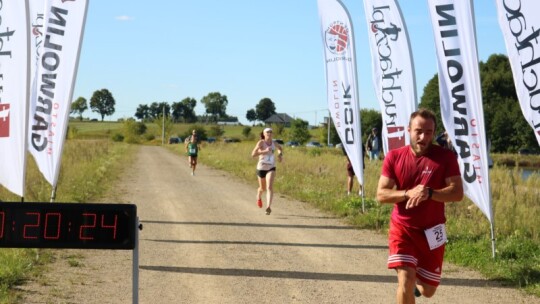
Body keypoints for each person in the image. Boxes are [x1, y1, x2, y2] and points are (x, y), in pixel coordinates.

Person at [376, 109, 463, 303]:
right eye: (418, 131)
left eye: (429, 132)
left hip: (432, 232)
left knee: (428, 290)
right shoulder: (394, 157)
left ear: (434, 132)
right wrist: (407, 193)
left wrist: (430, 193)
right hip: (402, 229)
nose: (423, 137)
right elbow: (381, 194)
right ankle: (408, 284)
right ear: (408, 130)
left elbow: (457, 193)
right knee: (405, 281)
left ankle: (416, 284)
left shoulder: (445, 157)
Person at [251, 127, 283, 215]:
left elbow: (280, 148)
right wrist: (264, 151)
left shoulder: (274, 143)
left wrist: (280, 155)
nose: (269, 133)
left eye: (271, 132)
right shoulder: (261, 142)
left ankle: (268, 207)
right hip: (261, 168)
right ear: (264, 134)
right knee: (262, 188)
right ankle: (258, 196)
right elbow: (253, 154)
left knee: (269, 187)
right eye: (267, 132)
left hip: (271, 167)